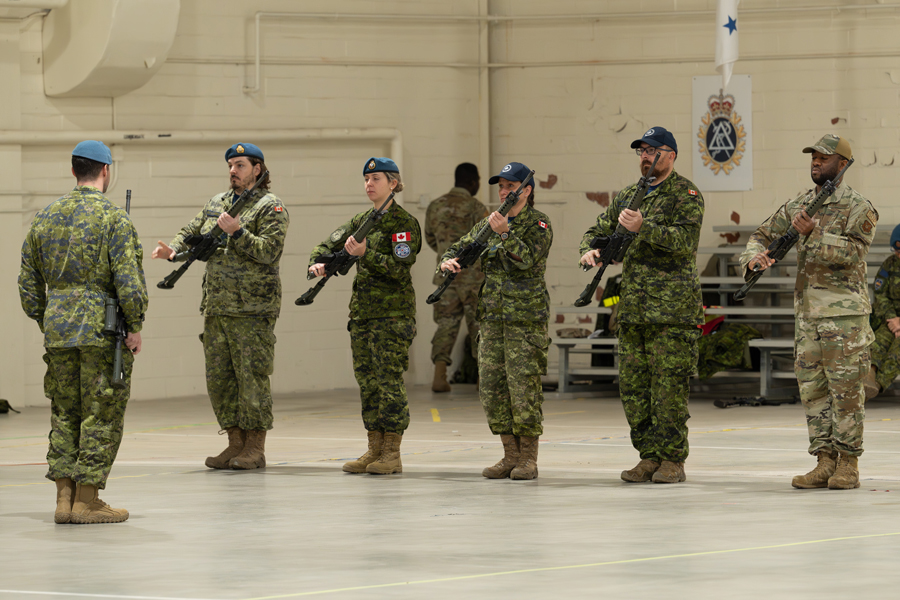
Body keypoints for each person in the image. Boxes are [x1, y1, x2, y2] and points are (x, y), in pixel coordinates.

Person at [19, 140, 148, 524]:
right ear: (105, 171)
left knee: (64, 413)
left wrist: (48, 318)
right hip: (100, 331)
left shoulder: (44, 217)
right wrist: (135, 324)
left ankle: (63, 500)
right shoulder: (114, 219)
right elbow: (128, 282)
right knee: (100, 413)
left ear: (75, 170)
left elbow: (27, 284)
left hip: (58, 332)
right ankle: (87, 500)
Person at [740, 133, 877, 490]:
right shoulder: (800, 205)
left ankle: (848, 463)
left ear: (843, 164)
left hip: (844, 317)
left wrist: (815, 234)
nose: (816, 162)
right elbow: (761, 234)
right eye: (813, 156)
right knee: (813, 390)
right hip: (807, 316)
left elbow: (855, 255)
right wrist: (753, 258)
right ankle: (824, 460)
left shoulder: (858, 207)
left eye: (824, 157)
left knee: (846, 391)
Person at [151, 143, 289, 471]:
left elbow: (270, 251)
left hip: (252, 308)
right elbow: (192, 229)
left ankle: (255, 446)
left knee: (251, 377)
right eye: (230, 165)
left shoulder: (271, 207)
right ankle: (235, 443)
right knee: (220, 378)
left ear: (257, 169)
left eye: (240, 165)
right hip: (216, 305)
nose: (233, 171)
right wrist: (174, 249)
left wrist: (238, 232)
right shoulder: (218, 203)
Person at [579, 126, 704, 484]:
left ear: (671, 155)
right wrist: (589, 248)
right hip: (633, 311)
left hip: (673, 312)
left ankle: (672, 460)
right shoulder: (628, 195)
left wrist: (644, 227)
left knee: (669, 390)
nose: (646, 157)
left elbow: (684, 240)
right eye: (641, 151)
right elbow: (598, 228)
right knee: (634, 390)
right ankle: (648, 455)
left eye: (653, 151)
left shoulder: (686, 193)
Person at [308, 157, 420, 475]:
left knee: (388, 383)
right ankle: (374, 449)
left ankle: (392, 453)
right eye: (366, 179)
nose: (369, 184)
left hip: (392, 316)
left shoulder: (404, 223)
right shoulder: (361, 220)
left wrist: (366, 253)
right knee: (368, 383)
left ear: (394, 184)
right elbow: (329, 242)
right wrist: (320, 261)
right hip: (363, 316)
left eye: (376, 179)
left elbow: (400, 268)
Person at [441, 161, 552, 480]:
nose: (503, 192)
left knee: (523, 390)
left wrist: (505, 234)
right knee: (492, 389)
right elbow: (459, 246)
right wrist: (448, 262)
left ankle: (528, 458)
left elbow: (528, 260)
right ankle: (509, 454)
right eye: (500, 186)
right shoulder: (488, 223)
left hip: (524, 321)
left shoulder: (538, 224)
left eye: (509, 186)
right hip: (491, 319)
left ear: (526, 190)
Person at [424, 162, 489, 392]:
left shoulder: (435, 206)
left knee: (446, 324)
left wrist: (445, 254)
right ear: (472, 182)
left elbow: (431, 239)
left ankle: (439, 376)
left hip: (445, 278)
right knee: (478, 326)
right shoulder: (476, 207)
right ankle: (483, 379)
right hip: (473, 279)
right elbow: (487, 240)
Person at [863, 225, 900, 399]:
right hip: (891, 320)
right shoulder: (889, 264)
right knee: (878, 342)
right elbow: (880, 294)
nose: (899, 254)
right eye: (897, 250)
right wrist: (893, 318)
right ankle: (869, 374)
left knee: (897, 350)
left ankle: (877, 384)